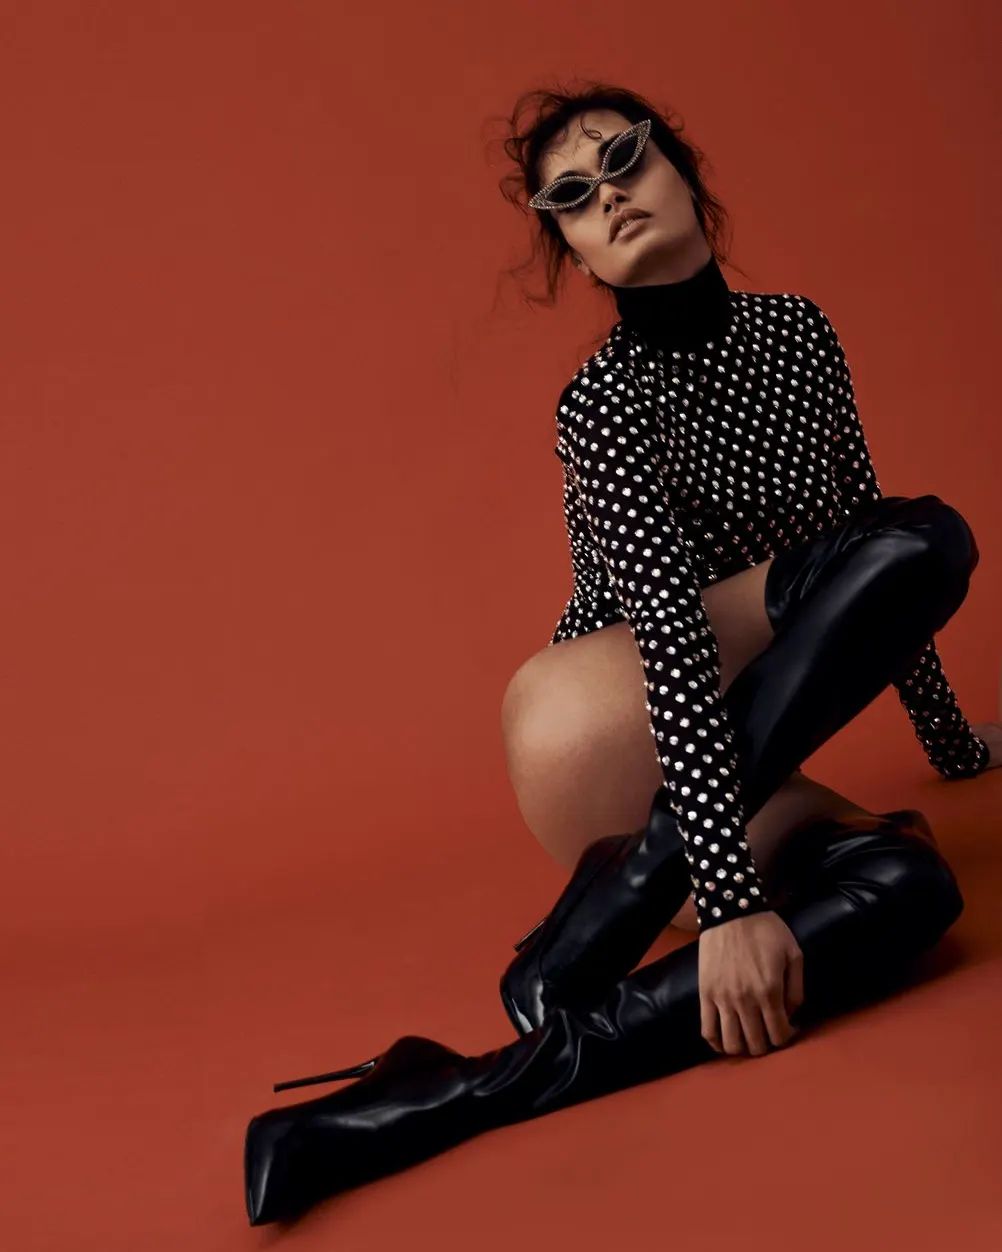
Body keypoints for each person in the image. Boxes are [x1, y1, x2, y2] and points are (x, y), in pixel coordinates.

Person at [242, 82, 1001, 1226]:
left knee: (910, 887)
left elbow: (870, 559)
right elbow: (676, 637)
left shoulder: (799, 334)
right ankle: (624, 900)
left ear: (684, 172)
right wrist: (728, 901)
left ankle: (435, 1095)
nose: (608, 196)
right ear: (577, 249)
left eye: (625, 159)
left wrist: (949, 743)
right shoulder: (603, 403)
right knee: (914, 539)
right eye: (571, 196)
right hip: (604, 721)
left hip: (713, 762)